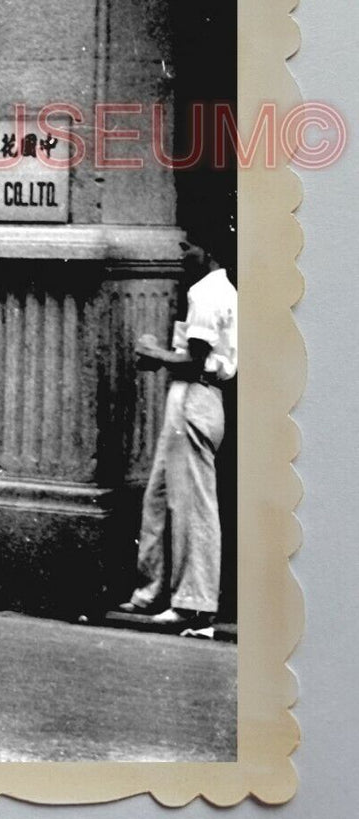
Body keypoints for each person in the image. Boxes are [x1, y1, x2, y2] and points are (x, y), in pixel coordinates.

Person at [118, 231, 237, 632]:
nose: (182, 254)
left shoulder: (207, 291)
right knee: (160, 497)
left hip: (195, 398)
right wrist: (166, 358)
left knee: (191, 506)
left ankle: (194, 605)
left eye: (189, 247)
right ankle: (150, 592)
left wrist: (154, 353)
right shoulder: (214, 290)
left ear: (210, 251)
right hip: (192, 397)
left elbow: (194, 361)